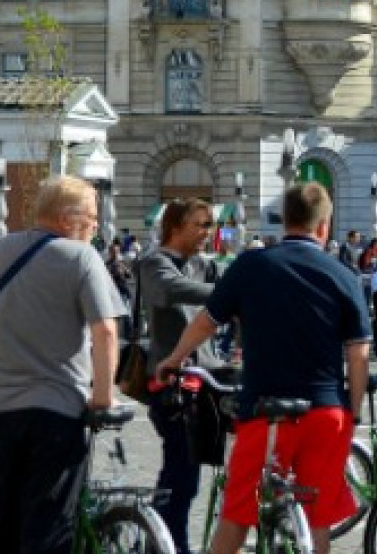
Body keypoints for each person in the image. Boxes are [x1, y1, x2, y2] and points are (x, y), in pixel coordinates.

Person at [154, 183, 370, 554]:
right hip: (326, 411)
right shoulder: (343, 274)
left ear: (284, 220)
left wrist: (174, 359)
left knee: (239, 513)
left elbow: (206, 322)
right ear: (324, 226)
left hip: (266, 412)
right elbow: (358, 353)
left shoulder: (252, 265)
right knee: (317, 517)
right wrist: (353, 408)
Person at [0, 176, 125, 554]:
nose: (95, 225)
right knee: (49, 525)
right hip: (56, 411)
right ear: (66, 217)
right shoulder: (81, 257)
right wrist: (103, 398)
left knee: (1, 521)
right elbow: (105, 331)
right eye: (91, 217)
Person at [138, 198, 222, 554]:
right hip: (169, 380)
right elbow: (170, 290)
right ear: (175, 227)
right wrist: (227, 294)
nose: (207, 233)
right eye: (200, 225)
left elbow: (233, 310)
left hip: (207, 379)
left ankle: (162, 542)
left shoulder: (205, 265)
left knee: (190, 473)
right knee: (180, 470)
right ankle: (168, 544)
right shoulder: (154, 263)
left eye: (209, 225)